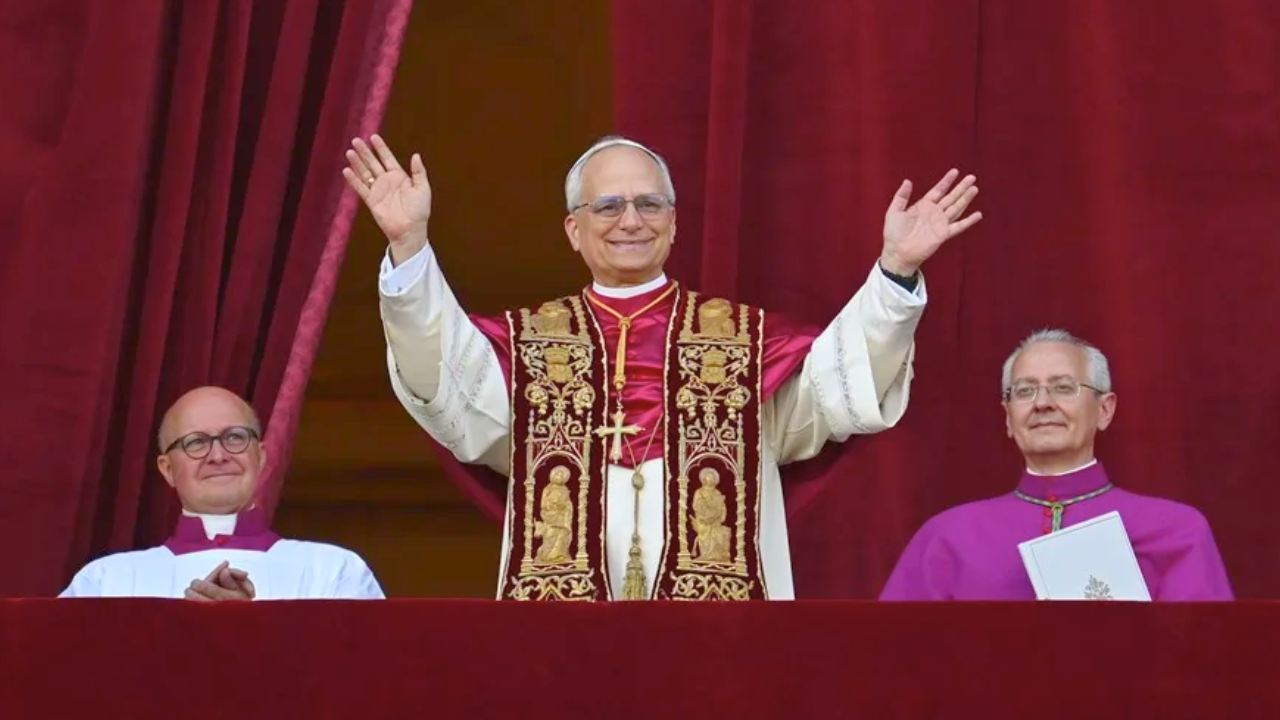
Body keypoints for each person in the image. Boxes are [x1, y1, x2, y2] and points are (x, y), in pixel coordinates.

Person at [345, 134, 982, 600]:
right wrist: (408, 247)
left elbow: (839, 386)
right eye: (609, 206)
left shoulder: (743, 342)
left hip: (719, 629)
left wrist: (895, 271)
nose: (631, 220)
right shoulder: (528, 343)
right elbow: (445, 385)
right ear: (572, 229)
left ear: (674, 225)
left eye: (650, 205)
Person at [879, 329, 1233, 601]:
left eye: (1064, 388)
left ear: (1104, 410)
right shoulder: (947, 538)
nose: (1043, 403)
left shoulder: (1176, 532)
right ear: (1007, 417)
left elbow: (1208, 667)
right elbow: (894, 662)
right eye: (1024, 391)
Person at [60, 386, 384, 600]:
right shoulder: (105, 583)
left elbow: (362, 685)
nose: (218, 456)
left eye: (234, 438)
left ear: (261, 456)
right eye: (196, 443)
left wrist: (253, 631)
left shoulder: (334, 573)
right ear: (167, 469)